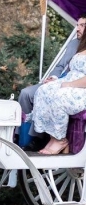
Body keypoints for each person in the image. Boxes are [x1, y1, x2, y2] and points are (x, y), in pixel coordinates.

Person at [18, 17, 86, 147]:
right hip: (61, 79)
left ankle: (42, 140)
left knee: (55, 96)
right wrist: (53, 78)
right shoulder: (74, 43)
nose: (77, 28)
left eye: (82, 25)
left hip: (75, 85)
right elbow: (60, 66)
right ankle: (24, 139)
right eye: (77, 25)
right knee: (27, 93)